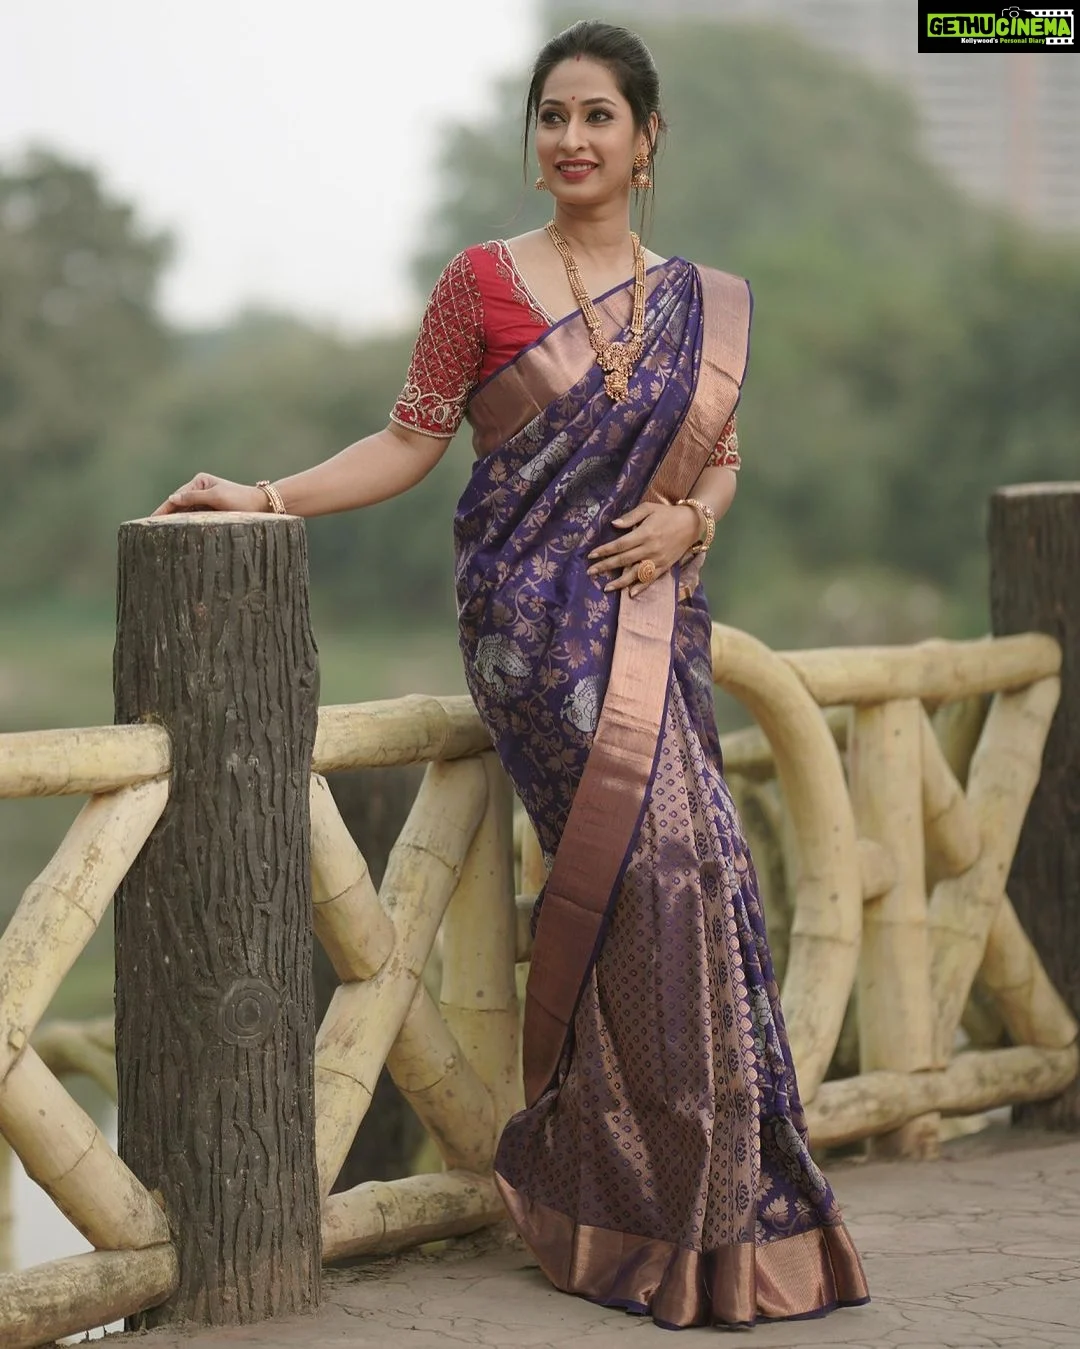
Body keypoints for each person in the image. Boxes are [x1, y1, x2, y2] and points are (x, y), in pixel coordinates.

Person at [156, 19, 870, 1331]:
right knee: (652, 872)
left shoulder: (701, 303)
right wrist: (264, 494)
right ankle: (636, 1200)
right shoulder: (478, 282)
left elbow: (720, 459)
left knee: (703, 877)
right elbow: (408, 441)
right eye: (553, 116)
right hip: (532, 629)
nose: (573, 138)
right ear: (532, 139)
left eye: (599, 116)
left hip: (654, 615)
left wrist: (692, 522)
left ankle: (681, 1202)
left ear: (647, 142)